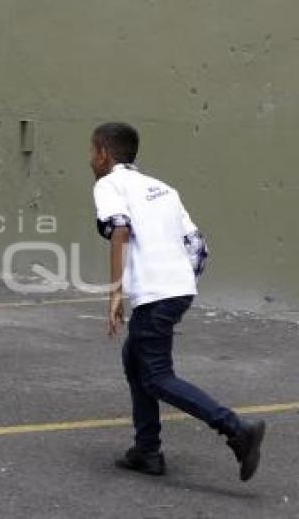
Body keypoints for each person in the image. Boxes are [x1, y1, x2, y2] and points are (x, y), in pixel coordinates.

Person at [90, 121, 265, 482]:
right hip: (178, 289)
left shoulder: (109, 184)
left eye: (92, 152)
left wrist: (115, 294)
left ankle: (236, 429)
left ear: (104, 153)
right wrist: (177, 283)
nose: (90, 160)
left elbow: (119, 229)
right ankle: (147, 451)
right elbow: (198, 247)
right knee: (134, 359)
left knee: (156, 377)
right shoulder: (163, 189)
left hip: (158, 294)